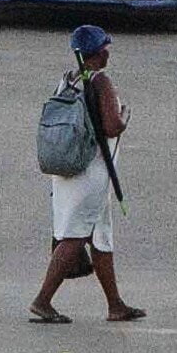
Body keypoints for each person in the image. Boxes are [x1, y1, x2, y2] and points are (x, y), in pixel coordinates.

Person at [25, 28, 136, 323]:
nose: (108, 52)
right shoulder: (100, 82)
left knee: (101, 239)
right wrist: (125, 115)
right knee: (75, 237)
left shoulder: (68, 79)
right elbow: (112, 126)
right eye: (105, 48)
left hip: (68, 169)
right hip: (92, 172)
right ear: (97, 53)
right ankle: (42, 300)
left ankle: (115, 304)